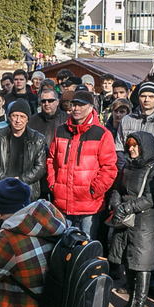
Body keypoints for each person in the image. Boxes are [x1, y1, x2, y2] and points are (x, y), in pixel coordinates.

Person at [107, 132, 154, 307]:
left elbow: (150, 199)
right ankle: (131, 300)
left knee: (142, 265)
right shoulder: (126, 166)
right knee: (128, 261)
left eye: (135, 146)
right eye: (129, 145)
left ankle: (140, 306)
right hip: (125, 220)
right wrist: (116, 204)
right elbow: (117, 188)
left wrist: (125, 207)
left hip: (144, 223)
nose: (131, 149)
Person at [47, 90, 118, 236]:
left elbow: (109, 168)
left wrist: (94, 190)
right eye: (74, 105)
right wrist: (53, 185)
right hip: (62, 199)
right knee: (64, 243)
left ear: (91, 108)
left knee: (87, 244)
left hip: (89, 202)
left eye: (81, 105)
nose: (76, 109)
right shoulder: (60, 130)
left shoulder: (102, 134)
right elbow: (51, 160)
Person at [0, 100, 48, 200]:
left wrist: (21, 180)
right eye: (15, 116)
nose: (18, 120)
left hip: (27, 189)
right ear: (9, 117)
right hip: (2, 188)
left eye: (22, 117)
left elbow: (40, 167)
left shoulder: (38, 138)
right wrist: (6, 181)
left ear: (27, 119)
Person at [118, 81, 154, 165]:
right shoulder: (126, 120)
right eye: (143, 96)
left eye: (151, 96)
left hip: (152, 174)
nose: (146, 100)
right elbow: (119, 149)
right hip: (127, 171)